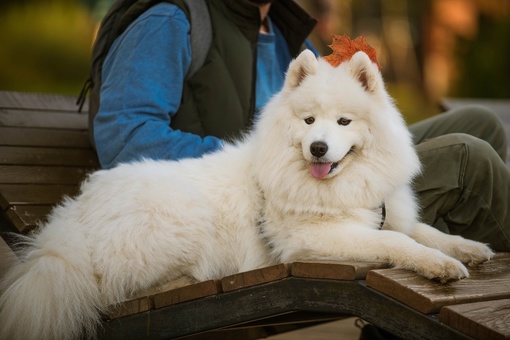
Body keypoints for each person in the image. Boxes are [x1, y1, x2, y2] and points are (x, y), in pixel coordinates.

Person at [93, 0, 509, 252]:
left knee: (480, 123)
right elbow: (124, 136)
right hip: (272, 202)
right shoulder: (172, 20)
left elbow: (339, 118)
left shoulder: (284, 31)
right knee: (467, 161)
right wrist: (253, 160)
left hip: (324, 171)